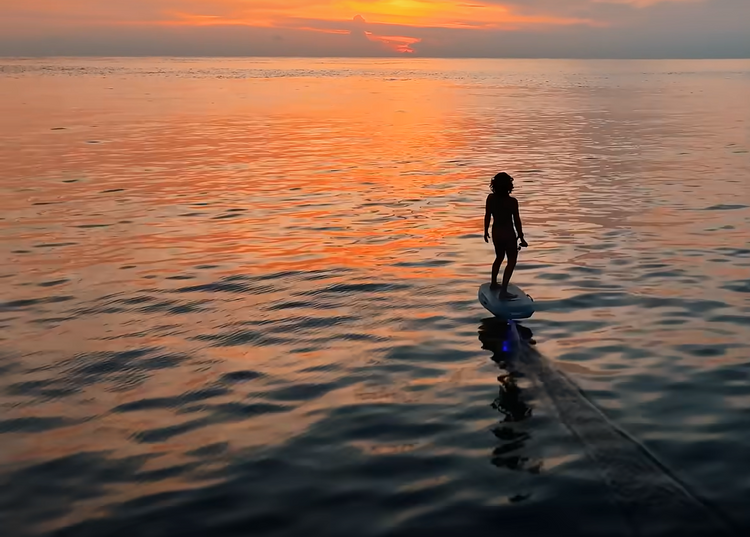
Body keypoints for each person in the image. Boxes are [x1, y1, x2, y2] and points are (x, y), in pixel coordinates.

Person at [484, 172, 528, 299]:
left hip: (496, 232)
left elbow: (487, 215)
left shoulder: (491, 198)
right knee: (512, 260)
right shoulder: (512, 202)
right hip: (508, 233)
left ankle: (493, 283)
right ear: (509, 186)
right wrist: (521, 237)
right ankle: (503, 291)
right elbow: (516, 221)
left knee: (499, 257)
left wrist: (485, 231)